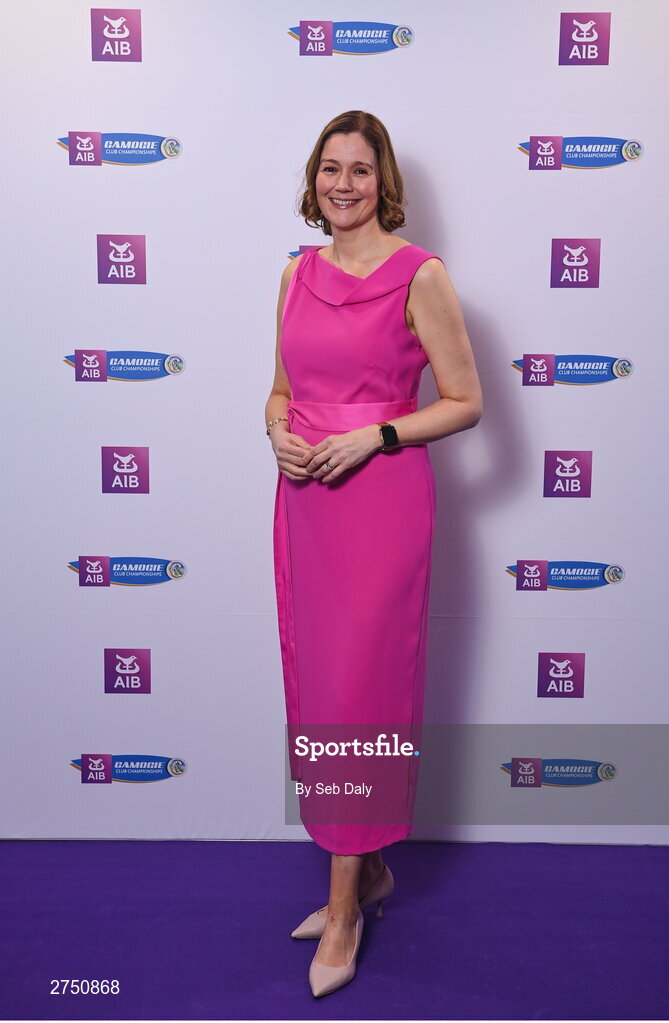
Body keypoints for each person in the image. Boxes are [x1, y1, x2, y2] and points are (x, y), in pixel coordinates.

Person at [265, 110, 482, 998]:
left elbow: (464, 401)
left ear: (382, 180)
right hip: (304, 503)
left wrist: (379, 436)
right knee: (319, 687)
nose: (342, 184)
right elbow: (279, 391)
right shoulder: (293, 273)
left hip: (381, 506)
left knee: (363, 688)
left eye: (359, 170)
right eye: (329, 169)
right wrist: (276, 434)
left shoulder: (419, 274)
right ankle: (373, 868)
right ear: (312, 180)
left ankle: (345, 903)